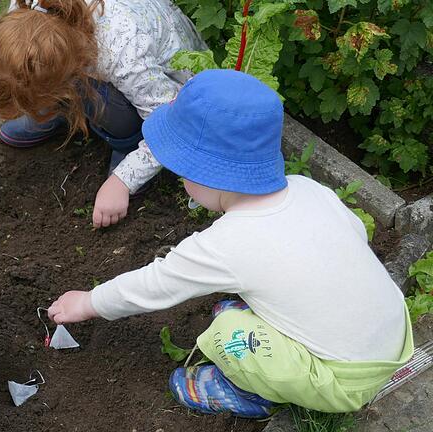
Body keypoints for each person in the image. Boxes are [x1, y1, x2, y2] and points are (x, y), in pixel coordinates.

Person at [47, 69, 413, 417]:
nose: (180, 178)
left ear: (208, 173)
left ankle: (249, 393)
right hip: (394, 336)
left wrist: (88, 302)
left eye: (183, 170)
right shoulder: (308, 188)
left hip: (344, 381)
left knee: (227, 335)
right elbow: (357, 236)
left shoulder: (227, 244)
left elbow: (153, 286)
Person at [0, 0, 207, 228]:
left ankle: (127, 140)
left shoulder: (124, 51)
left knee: (120, 114)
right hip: (83, 62)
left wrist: (123, 181)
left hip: (164, 84)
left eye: (35, 105)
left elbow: (169, 123)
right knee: (53, 80)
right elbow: (8, 61)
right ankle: (60, 112)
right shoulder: (29, 6)